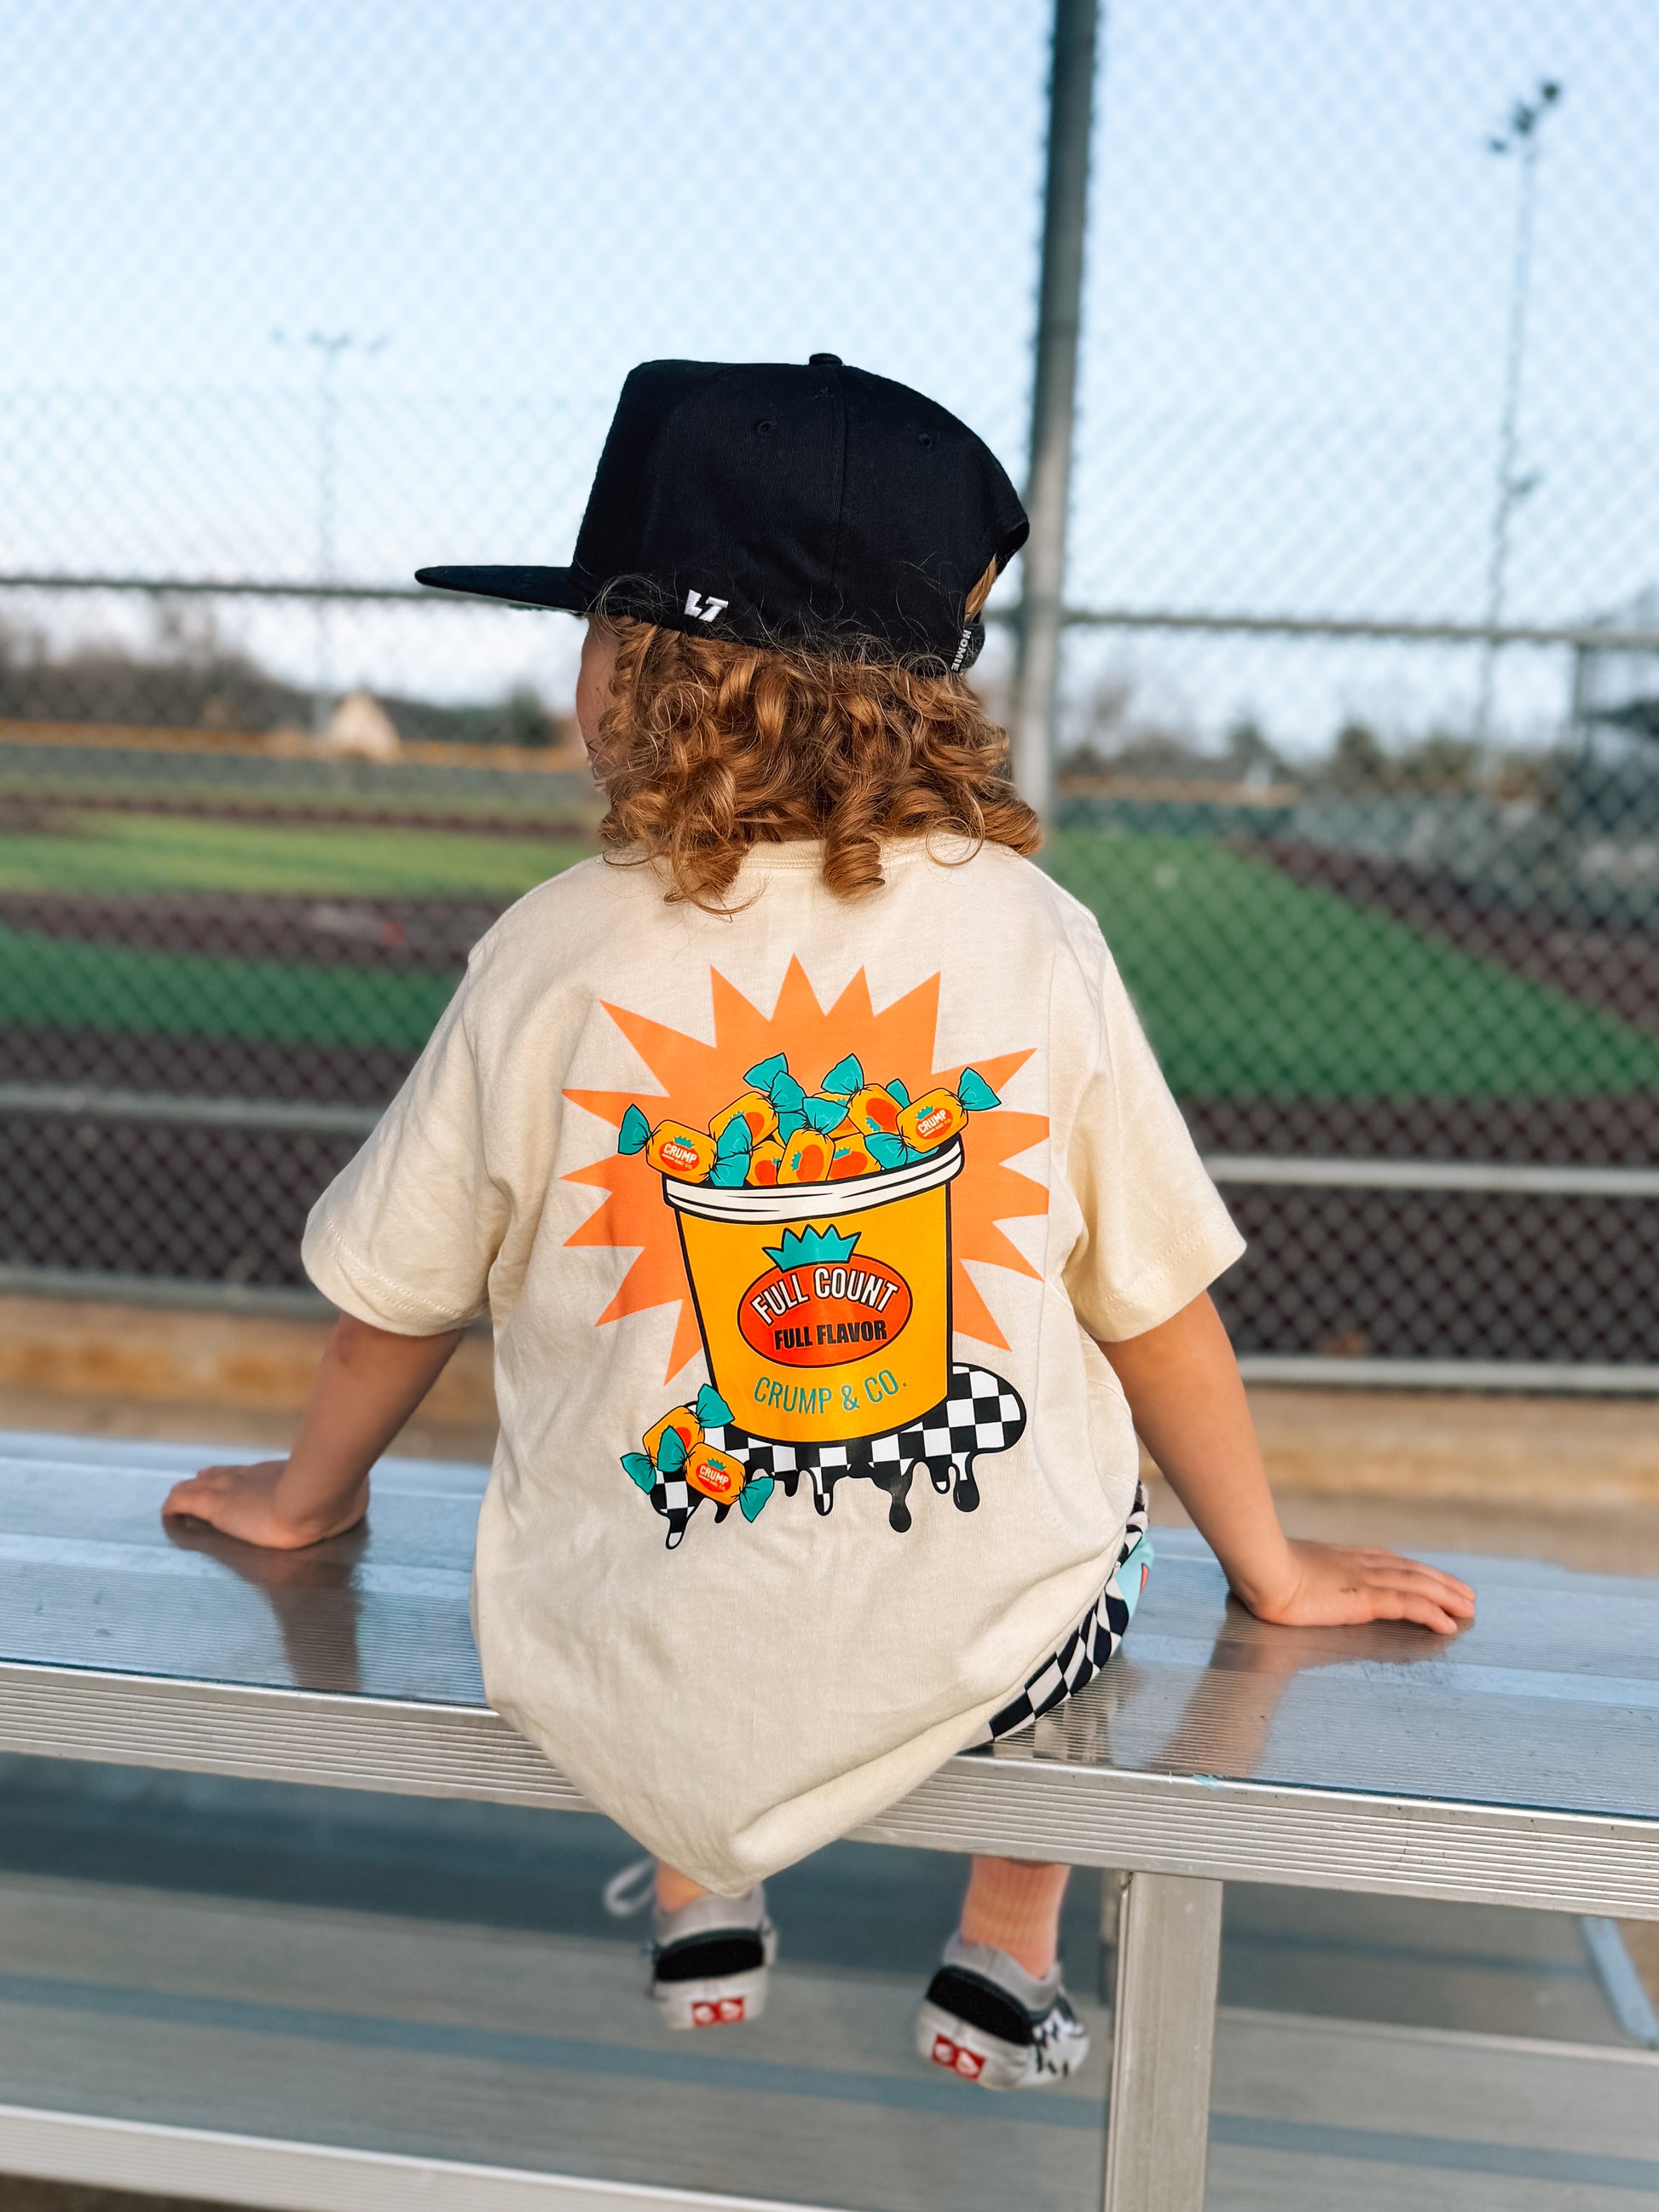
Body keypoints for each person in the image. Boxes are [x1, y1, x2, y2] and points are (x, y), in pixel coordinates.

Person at [163, 356, 1474, 2092]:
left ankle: (700, 1868)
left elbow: (393, 1303)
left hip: (618, 1644)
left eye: (599, 627)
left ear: (642, 676)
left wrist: (303, 1499)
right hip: (982, 1648)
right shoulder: (1033, 934)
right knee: (1091, 1492)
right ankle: (1005, 1941)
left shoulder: (549, 945)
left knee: (656, 1495)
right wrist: (1277, 1570)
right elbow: (1152, 1303)